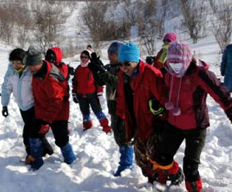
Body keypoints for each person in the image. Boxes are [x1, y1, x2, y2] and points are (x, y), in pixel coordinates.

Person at [151, 41, 232, 192]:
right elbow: (162, 91)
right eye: (171, 64)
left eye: (177, 65)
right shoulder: (168, 72)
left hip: (196, 127)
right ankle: (176, 174)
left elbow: (222, 96)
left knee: (190, 168)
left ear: (186, 60)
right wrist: (157, 104)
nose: (174, 69)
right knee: (162, 158)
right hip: (174, 124)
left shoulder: (200, 75)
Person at [115, 42, 167, 182]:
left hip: (153, 123)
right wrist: (120, 116)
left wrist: (161, 112)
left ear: (136, 61)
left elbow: (165, 100)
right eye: (121, 63)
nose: (124, 68)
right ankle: (151, 181)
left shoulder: (151, 74)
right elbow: (121, 98)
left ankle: (165, 183)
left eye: (127, 63)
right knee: (141, 158)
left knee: (156, 156)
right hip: (136, 121)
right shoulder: (122, 75)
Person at [25, 46, 75, 170]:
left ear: (39, 63)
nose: (30, 68)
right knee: (33, 135)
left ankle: (71, 160)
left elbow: (57, 101)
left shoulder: (51, 78)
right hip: (42, 110)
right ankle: (37, 164)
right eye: (29, 65)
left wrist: (47, 121)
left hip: (58, 112)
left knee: (61, 139)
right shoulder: (37, 71)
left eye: (33, 65)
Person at [88, 41, 134, 176]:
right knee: (118, 136)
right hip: (113, 106)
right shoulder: (112, 67)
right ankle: (125, 162)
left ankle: (126, 165)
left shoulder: (124, 68)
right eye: (109, 54)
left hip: (123, 107)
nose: (110, 56)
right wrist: (97, 70)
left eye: (112, 54)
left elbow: (117, 82)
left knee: (125, 136)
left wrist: (102, 71)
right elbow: (101, 82)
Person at [1, 48, 53, 163]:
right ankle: (46, 149)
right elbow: (6, 87)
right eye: (13, 62)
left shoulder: (30, 71)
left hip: (34, 106)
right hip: (22, 107)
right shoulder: (10, 71)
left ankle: (32, 154)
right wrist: (4, 104)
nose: (15, 65)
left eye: (19, 63)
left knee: (28, 133)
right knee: (34, 131)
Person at [72, 49, 111, 133]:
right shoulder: (78, 69)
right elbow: (75, 82)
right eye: (82, 57)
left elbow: (99, 81)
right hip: (81, 95)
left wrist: (100, 94)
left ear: (89, 58)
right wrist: (74, 93)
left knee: (98, 111)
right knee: (85, 112)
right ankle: (87, 126)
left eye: (86, 57)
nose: (83, 58)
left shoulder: (92, 67)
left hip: (92, 95)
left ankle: (106, 127)